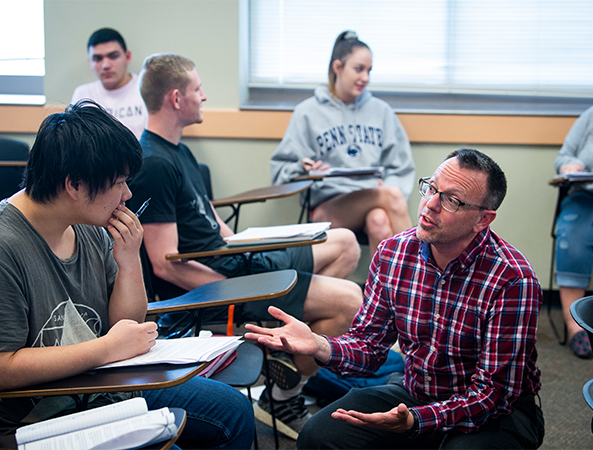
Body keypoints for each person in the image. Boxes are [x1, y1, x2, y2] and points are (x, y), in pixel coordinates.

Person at [127, 53, 363, 440]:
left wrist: (264, 241)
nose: (203, 96)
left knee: (345, 243)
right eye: (197, 89)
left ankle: (283, 350)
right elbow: (164, 265)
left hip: (233, 260)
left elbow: (217, 228)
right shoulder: (153, 163)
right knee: (351, 300)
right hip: (216, 284)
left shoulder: (180, 151)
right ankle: (284, 393)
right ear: (175, 98)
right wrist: (232, 286)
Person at [0, 100, 254, 449]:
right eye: (118, 183)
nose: (127, 195)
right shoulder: (2, 245)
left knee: (235, 410)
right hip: (45, 415)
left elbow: (125, 324)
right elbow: (0, 369)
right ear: (75, 185)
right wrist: (105, 350)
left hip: (105, 382)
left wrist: (130, 259)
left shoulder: (89, 223)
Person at [247, 149, 545, 449]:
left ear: (483, 219)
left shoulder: (512, 280)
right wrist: (319, 345)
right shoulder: (395, 253)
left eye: (451, 200)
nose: (429, 204)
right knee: (318, 435)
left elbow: (493, 394)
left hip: (495, 412)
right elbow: (369, 347)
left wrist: (418, 421)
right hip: (417, 394)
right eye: (431, 188)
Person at [270, 30, 415, 256]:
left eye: (369, 70)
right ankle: (422, 277)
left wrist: (385, 185)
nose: (365, 77)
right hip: (328, 208)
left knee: (379, 221)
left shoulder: (381, 112)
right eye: (359, 69)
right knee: (392, 195)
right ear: (337, 67)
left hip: (373, 201)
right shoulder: (307, 112)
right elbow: (279, 172)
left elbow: (401, 167)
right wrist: (303, 167)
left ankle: (383, 290)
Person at [554, 104, 593, 358]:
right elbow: (563, 158)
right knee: (572, 235)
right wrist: (571, 165)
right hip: (585, 195)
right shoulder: (589, 117)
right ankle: (575, 327)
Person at [71, 28, 147, 138]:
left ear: (127, 57)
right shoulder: (83, 95)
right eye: (97, 59)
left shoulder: (146, 90)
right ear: (90, 63)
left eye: (113, 56)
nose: (105, 65)